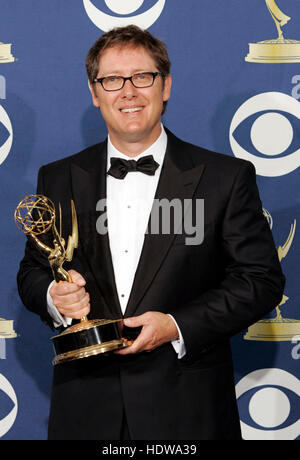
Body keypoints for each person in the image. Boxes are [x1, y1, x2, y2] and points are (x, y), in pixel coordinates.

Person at [17, 25, 285, 440]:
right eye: (111, 80)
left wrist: (177, 325)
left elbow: (260, 281)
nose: (128, 92)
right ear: (94, 93)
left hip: (187, 408)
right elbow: (34, 270)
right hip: (85, 410)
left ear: (166, 86)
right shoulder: (58, 177)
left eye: (142, 77)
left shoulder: (225, 177)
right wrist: (55, 297)